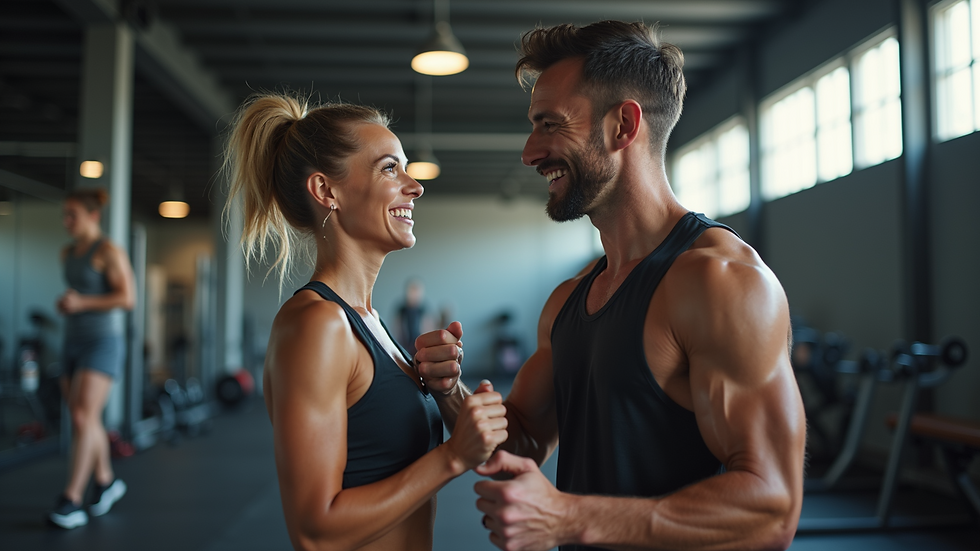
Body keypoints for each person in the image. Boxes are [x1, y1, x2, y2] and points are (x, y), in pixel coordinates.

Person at [414, 21, 806, 551]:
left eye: (550, 124)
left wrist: (567, 516)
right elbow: (521, 442)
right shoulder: (569, 299)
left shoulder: (722, 283)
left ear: (623, 125)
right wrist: (450, 389)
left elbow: (772, 510)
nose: (531, 153)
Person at [222, 93, 509, 551]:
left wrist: (448, 391)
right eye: (389, 168)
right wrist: (452, 458)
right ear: (326, 191)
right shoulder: (318, 324)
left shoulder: (369, 322)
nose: (414, 186)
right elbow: (315, 532)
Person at [49, 188, 133, 529]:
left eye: (73, 215)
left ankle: (71, 499)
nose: (67, 221)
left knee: (84, 415)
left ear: (93, 216)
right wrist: (68, 304)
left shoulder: (108, 250)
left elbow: (128, 298)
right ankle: (106, 480)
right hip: (72, 341)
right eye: (65, 215)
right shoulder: (67, 252)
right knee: (83, 417)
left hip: (102, 341)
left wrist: (82, 303)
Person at [394, 277, 433, 356]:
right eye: (412, 290)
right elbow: (397, 331)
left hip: (420, 348)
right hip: (403, 348)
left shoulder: (424, 311)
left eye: (417, 290)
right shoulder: (401, 311)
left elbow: (428, 330)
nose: (414, 294)